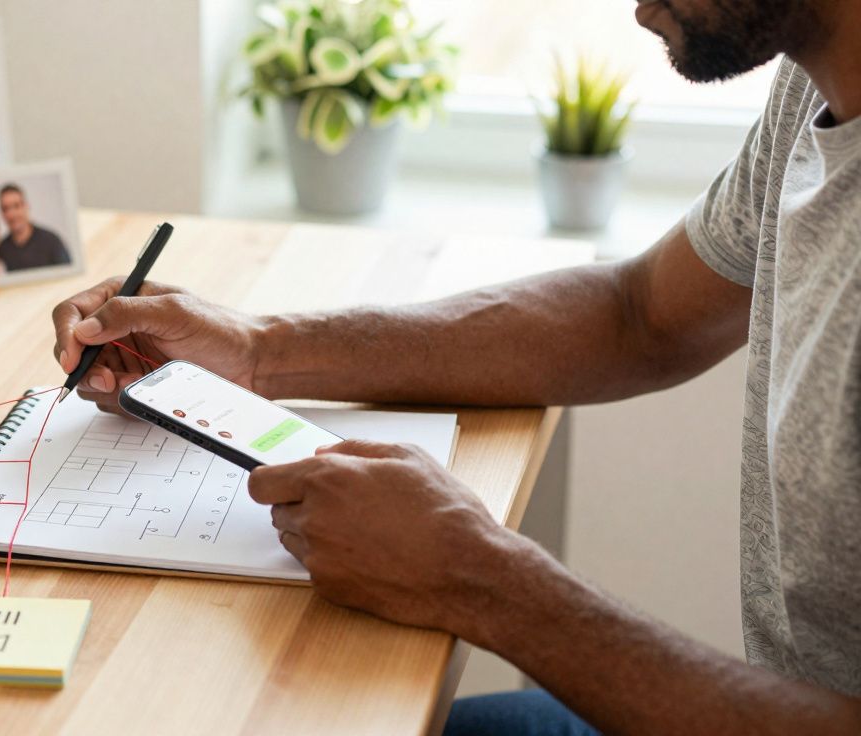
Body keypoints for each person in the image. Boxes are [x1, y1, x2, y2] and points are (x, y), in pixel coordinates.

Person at [48, 0, 861, 731]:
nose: (637, 8)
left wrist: (481, 578)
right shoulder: (810, 83)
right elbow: (638, 314)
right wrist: (258, 351)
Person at [0, 183, 72, 271]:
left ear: (26, 206)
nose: (12, 214)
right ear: (1, 214)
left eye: (16, 206)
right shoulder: (1, 249)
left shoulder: (52, 241)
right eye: (6, 209)